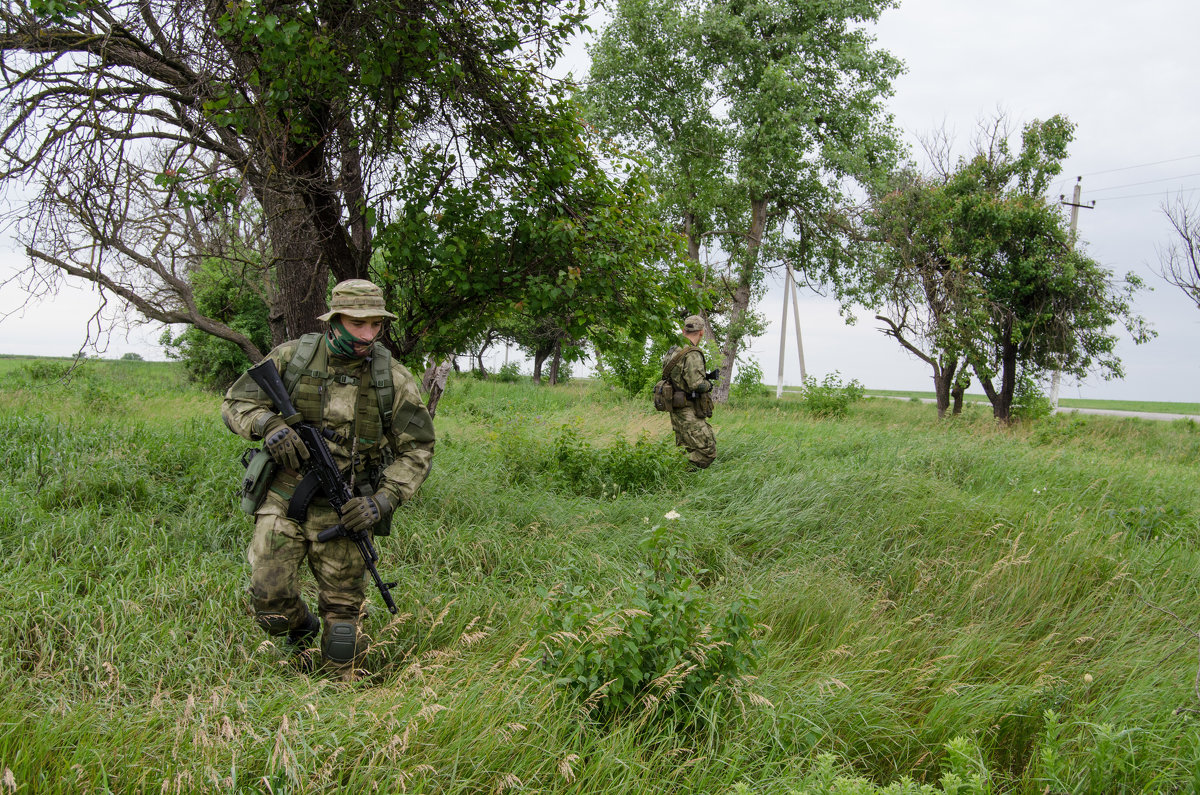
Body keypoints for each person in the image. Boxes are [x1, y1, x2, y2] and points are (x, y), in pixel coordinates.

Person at [221, 279, 435, 672]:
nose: (368, 334)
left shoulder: (394, 379)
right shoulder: (292, 358)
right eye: (358, 324)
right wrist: (269, 424)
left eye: (376, 325)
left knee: (343, 630)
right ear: (334, 322)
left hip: (347, 509)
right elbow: (236, 403)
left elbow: (418, 448)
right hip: (283, 498)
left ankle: (338, 703)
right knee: (269, 605)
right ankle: (301, 630)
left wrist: (381, 501)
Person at [662, 315, 716, 469]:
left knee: (688, 447)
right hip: (687, 408)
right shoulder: (692, 353)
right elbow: (696, 384)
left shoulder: (674, 349)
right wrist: (708, 384)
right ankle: (673, 469)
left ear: (683, 330)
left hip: (676, 406)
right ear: (701, 332)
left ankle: (683, 480)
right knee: (707, 450)